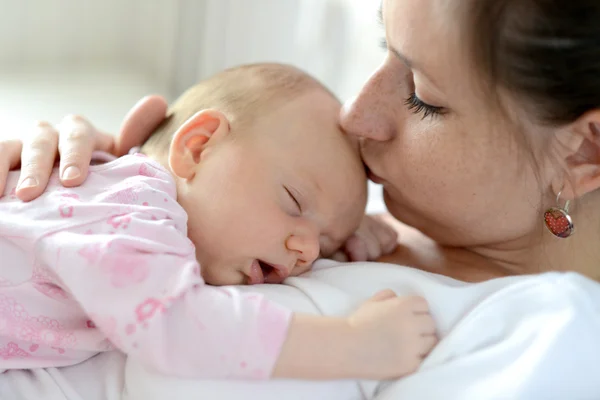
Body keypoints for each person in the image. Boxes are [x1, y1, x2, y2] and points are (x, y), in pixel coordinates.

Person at [0, 63, 437, 380]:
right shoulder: (134, 212)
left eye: (323, 242)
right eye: (292, 201)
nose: (308, 251)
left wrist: (341, 233)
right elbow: (178, 326)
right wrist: (353, 345)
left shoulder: (117, 188)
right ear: (198, 146)